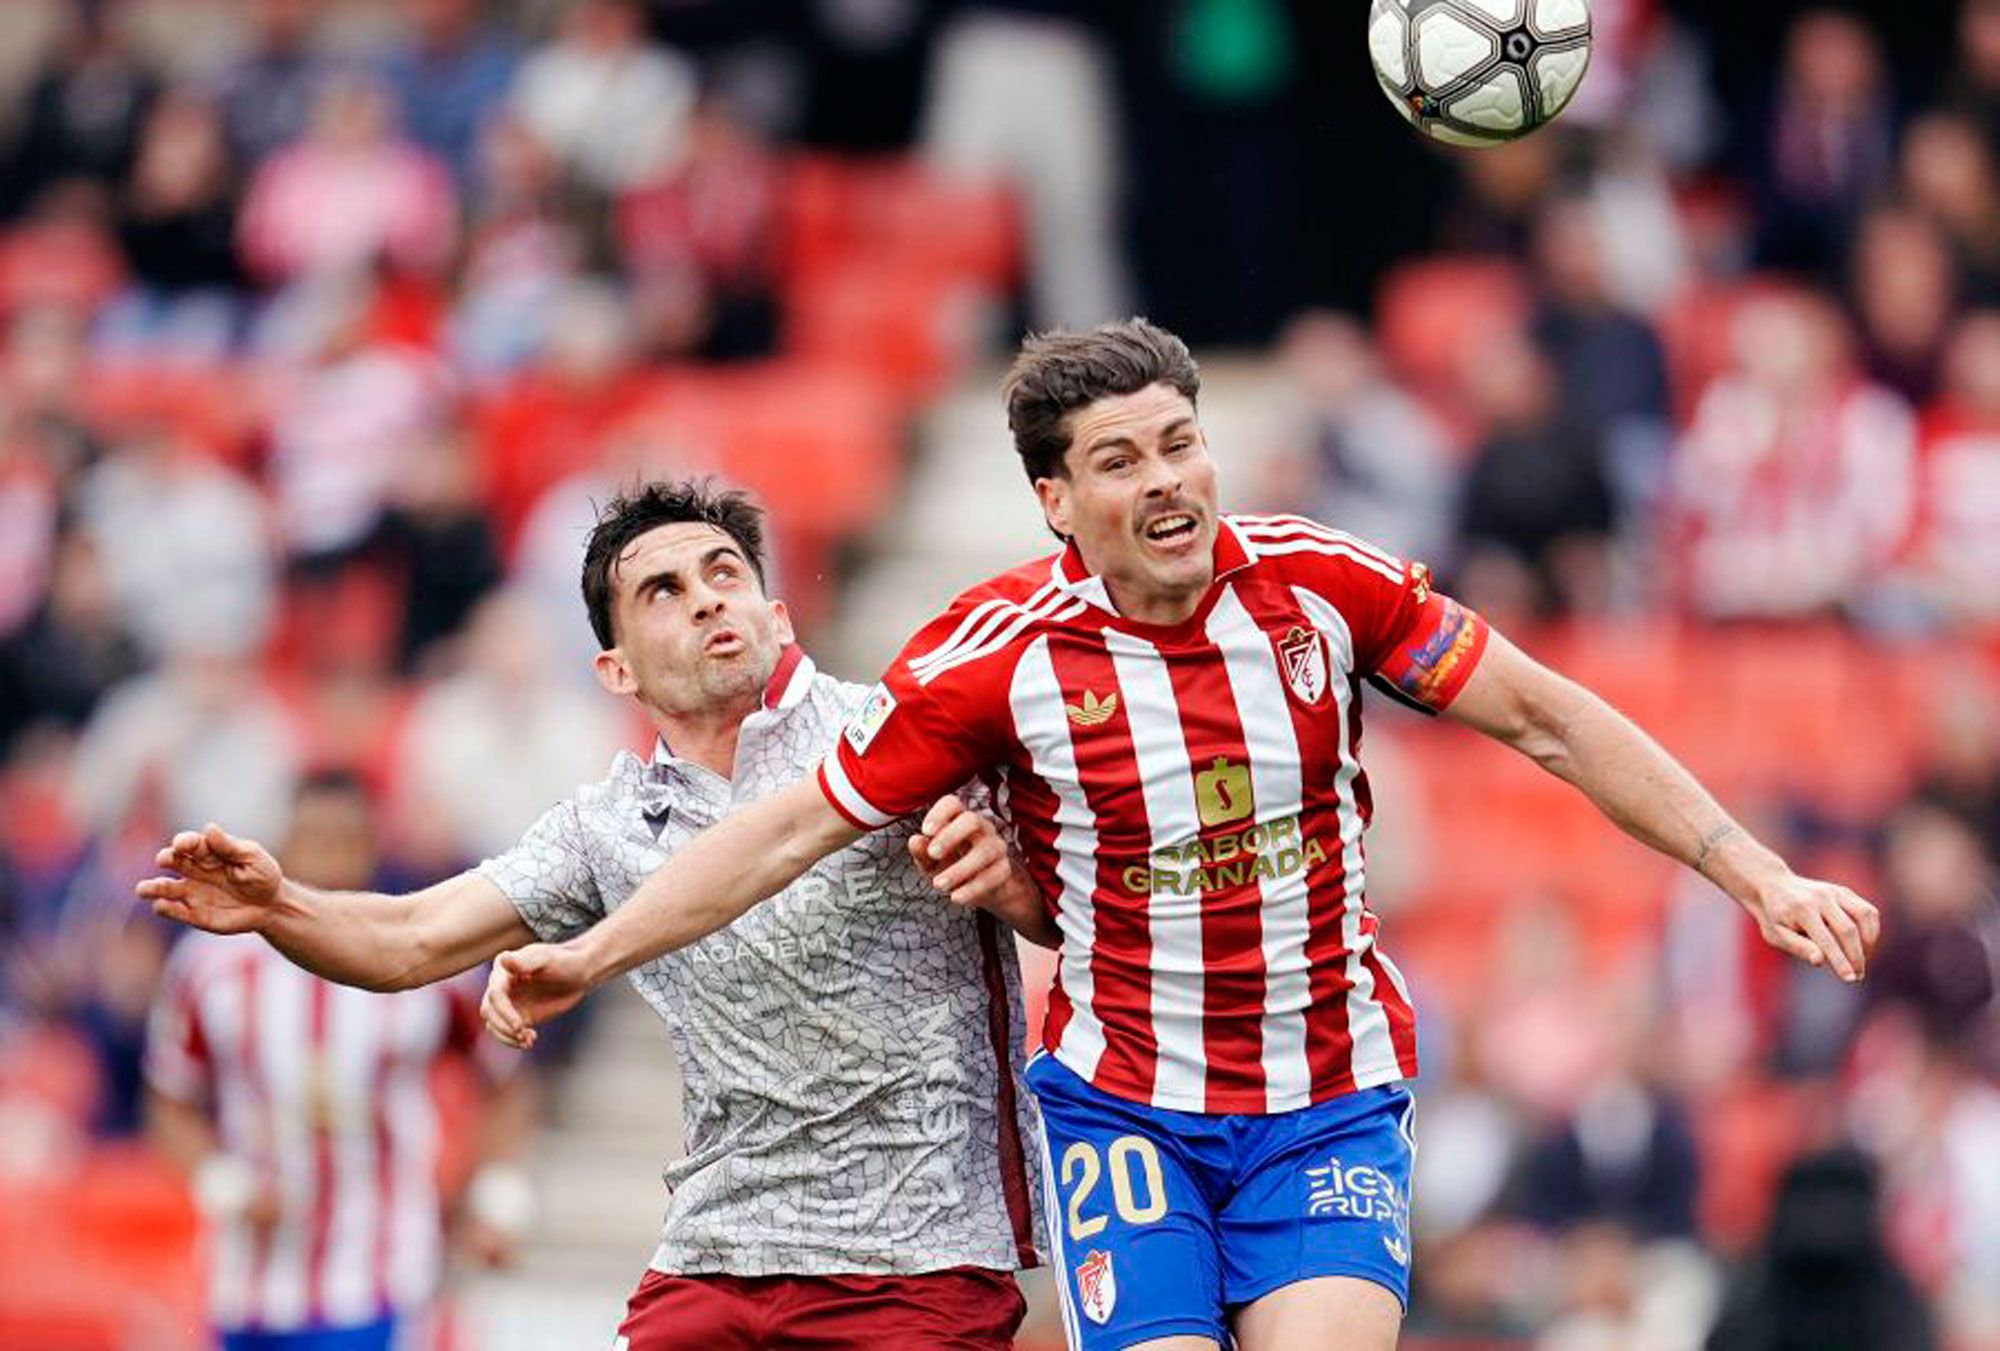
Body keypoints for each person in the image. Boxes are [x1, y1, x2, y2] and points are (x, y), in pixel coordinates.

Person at [477, 318, 1883, 1351]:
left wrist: (1752, 867)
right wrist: (591, 954)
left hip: (1323, 1093)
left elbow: (1552, 720)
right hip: (1128, 1105)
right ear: (1055, 499)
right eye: (1118, 459)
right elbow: (783, 831)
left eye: (1179, 440)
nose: (1166, 480)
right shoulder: (987, 660)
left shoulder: (1328, 587)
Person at [139, 480, 1047, 1347]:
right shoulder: (608, 826)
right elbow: (411, 940)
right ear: (614, 669)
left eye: (725, 573)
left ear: (779, 615)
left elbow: (1083, 911)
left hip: (919, 1253)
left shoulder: (897, 734)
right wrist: (280, 905)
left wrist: (1013, 885)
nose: (704, 600)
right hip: (716, 1255)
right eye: (664, 589)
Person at [145, 769, 536, 1351]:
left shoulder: (426, 960)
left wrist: (495, 1199)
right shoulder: (213, 968)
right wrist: (225, 1184)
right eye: (315, 836)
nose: (330, 853)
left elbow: (505, 1080)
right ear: (283, 841)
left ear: (372, 845)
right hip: (248, 1282)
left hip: (382, 1272)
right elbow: (171, 1096)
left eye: (346, 837)